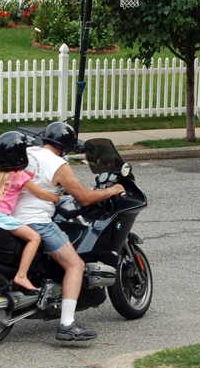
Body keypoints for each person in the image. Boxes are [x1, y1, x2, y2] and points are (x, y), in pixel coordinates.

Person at [13, 122, 125, 341]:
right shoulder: (58, 165)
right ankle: (67, 324)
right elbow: (83, 197)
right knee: (75, 265)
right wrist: (112, 190)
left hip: (9, 220)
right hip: (37, 223)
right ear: (65, 148)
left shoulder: (26, 153)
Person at [0, 131, 60, 292]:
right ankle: (21, 275)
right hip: (0, 218)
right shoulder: (19, 175)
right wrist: (56, 198)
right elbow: (40, 193)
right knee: (34, 238)